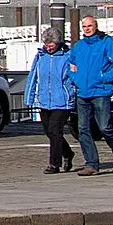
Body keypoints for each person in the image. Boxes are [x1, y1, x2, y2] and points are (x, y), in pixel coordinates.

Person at [68, 14, 113, 174]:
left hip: (100, 91)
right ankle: (92, 164)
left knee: (104, 127)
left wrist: (104, 78)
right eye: (84, 26)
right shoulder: (79, 46)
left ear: (95, 26)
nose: (87, 29)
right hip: (83, 92)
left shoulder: (106, 43)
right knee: (83, 129)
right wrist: (76, 79)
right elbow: (71, 65)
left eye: (89, 26)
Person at [25, 30, 77, 173]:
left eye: (51, 44)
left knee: (55, 130)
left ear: (58, 42)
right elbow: (33, 76)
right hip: (44, 100)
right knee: (49, 131)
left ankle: (54, 164)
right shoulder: (41, 57)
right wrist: (29, 97)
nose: (49, 47)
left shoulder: (67, 56)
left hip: (62, 100)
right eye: (46, 44)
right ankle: (67, 153)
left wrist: (73, 94)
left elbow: (75, 77)